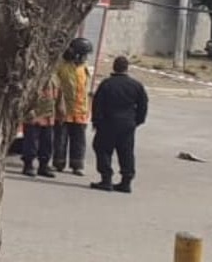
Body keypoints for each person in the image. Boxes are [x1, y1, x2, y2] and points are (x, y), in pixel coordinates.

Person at [91, 55, 149, 193]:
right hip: (127, 124)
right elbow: (143, 105)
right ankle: (126, 181)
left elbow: (97, 105)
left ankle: (106, 179)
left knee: (103, 149)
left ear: (114, 67)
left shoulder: (107, 84)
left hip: (108, 123)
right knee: (126, 152)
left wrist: (96, 121)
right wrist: (137, 121)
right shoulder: (136, 85)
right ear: (127, 68)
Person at [53, 37, 93, 176]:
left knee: (79, 140)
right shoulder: (62, 67)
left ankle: (77, 165)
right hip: (64, 109)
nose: (86, 58)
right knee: (61, 138)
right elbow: (57, 87)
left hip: (80, 110)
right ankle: (59, 162)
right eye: (84, 54)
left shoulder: (85, 68)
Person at [21, 69, 60, 179]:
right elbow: (26, 95)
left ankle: (44, 166)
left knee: (47, 143)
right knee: (31, 142)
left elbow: (58, 96)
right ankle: (28, 165)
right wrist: (30, 111)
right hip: (34, 115)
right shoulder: (35, 75)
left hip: (49, 117)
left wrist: (61, 111)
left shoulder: (54, 77)